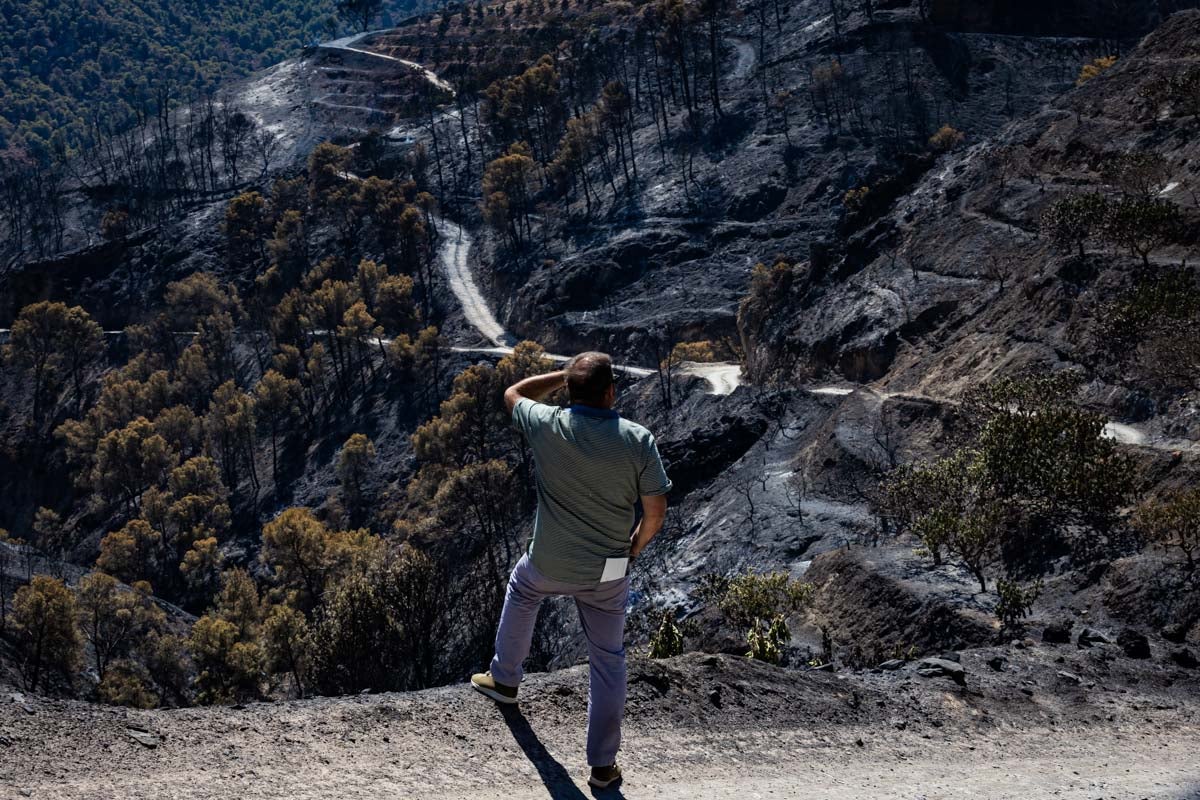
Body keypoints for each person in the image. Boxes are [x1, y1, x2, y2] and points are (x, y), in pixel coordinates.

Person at [470, 351, 671, 789]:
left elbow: (513, 392)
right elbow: (655, 512)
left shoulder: (547, 424)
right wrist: (633, 549)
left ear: (570, 389)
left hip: (549, 560)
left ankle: (505, 679)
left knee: (523, 589)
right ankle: (602, 767)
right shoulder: (637, 439)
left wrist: (563, 377)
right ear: (611, 392)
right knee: (608, 659)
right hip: (608, 569)